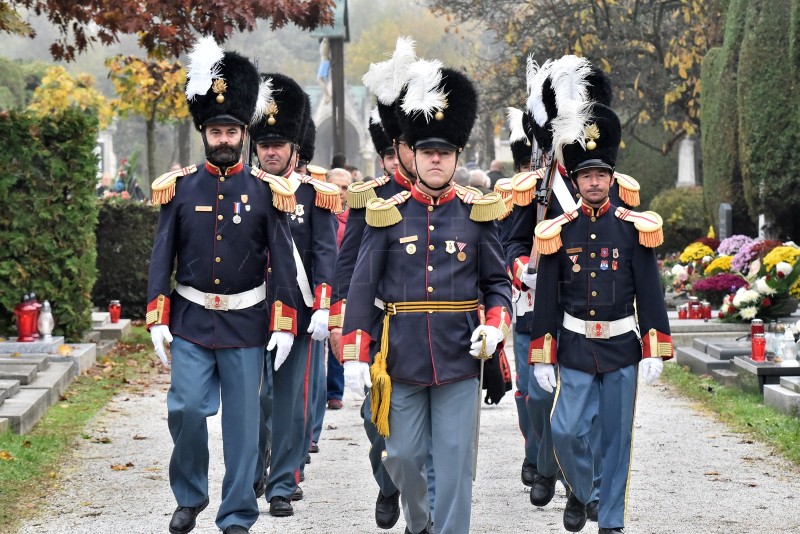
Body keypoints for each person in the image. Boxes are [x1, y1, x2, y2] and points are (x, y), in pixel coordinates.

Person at [342, 63, 512, 534]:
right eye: (426, 152)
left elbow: (497, 284)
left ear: (457, 157)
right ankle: (420, 523)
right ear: (412, 156)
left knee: (457, 465)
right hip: (401, 359)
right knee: (403, 458)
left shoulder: (478, 213)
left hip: (460, 356)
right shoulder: (386, 214)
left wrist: (495, 326)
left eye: (444, 153)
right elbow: (362, 286)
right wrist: (355, 351)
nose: (435, 160)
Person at [146, 37, 298, 534]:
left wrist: (285, 320)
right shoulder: (180, 187)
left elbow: (283, 262)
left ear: (243, 132)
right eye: (216, 130)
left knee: (243, 426)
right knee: (186, 408)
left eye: (232, 129)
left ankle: (236, 513)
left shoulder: (265, 190)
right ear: (205, 133)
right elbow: (161, 254)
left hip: (248, 321)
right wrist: (156, 315)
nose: (224, 137)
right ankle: (189, 497)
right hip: (190, 318)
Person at [528, 99, 672, 534]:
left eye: (602, 174)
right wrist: (541, 354)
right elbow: (548, 302)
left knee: (617, 440)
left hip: (622, 348)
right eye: (587, 174)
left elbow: (650, 291)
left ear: (612, 178)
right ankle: (586, 490)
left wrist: (654, 347)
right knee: (566, 431)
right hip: (573, 348)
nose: (595, 181)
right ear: (575, 178)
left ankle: (611, 520)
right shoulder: (559, 230)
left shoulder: (633, 227)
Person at [328, 37, 421, 530]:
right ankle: (387, 484)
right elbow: (349, 263)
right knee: (375, 418)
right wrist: (341, 315)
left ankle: (418, 508)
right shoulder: (368, 198)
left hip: (426, 320)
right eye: (389, 154)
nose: (394, 161)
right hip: (381, 321)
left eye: (401, 151)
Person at [249, 73, 339, 518]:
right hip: (248, 313)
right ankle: (254, 470)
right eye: (264, 142)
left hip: (300, 313)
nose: (270, 150)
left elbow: (326, 254)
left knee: (292, 404)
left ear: (294, 149)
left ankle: (282, 482)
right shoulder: (242, 191)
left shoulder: (314, 195)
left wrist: (324, 303)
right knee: (256, 400)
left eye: (279, 143)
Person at [324, 167, 354, 410]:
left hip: (344, 287)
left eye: (345, 187)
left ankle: (335, 391)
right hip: (320, 285)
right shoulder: (320, 214)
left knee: (338, 335)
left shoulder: (354, 218)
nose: (341, 192)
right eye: (336, 186)